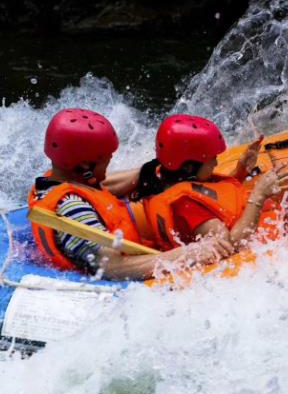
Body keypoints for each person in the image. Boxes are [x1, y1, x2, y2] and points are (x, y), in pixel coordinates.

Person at [28, 109, 234, 280]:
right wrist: (192, 252)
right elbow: (112, 269)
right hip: (109, 284)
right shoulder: (72, 208)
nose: (108, 166)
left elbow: (98, 190)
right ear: (84, 166)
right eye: (106, 161)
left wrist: (153, 171)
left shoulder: (58, 180)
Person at [130, 114, 288, 250]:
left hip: (273, 227)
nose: (217, 163)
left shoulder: (170, 178)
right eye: (211, 159)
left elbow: (219, 197)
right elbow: (231, 244)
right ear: (188, 166)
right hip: (265, 247)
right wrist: (259, 194)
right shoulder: (186, 205)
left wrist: (241, 170)